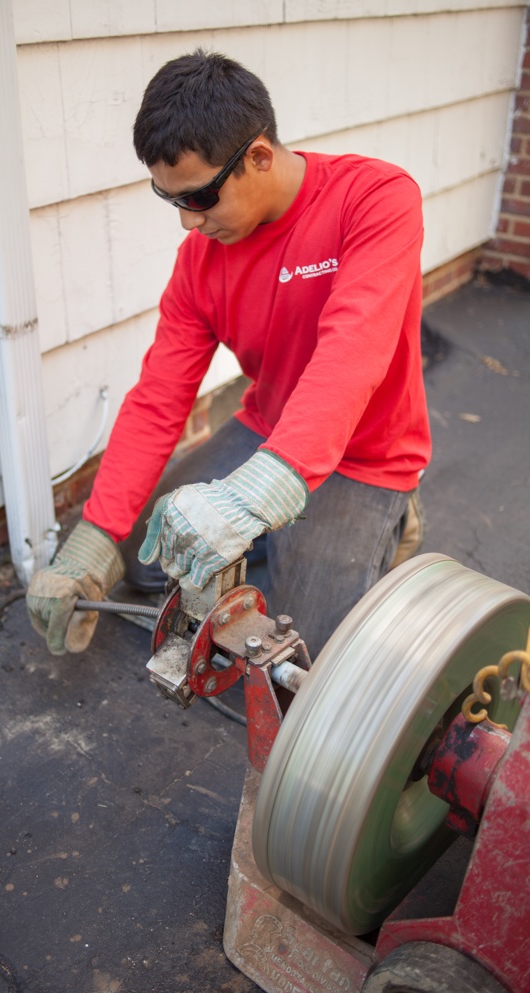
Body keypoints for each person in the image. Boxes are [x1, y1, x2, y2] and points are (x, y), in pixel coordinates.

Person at [27, 48, 431, 661]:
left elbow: (353, 350)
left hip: (364, 456)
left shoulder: (374, 199)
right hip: (268, 432)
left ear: (259, 157)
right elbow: (160, 397)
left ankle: (391, 526)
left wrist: (259, 494)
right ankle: (279, 543)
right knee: (145, 560)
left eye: (199, 198)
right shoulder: (202, 259)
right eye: (171, 201)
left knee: (309, 658)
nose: (188, 224)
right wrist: (94, 538)